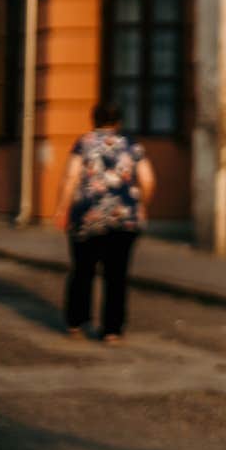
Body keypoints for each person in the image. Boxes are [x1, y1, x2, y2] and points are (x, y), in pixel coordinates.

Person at [53, 102, 154, 342]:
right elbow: (148, 180)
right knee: (117, 275)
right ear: (118, 122)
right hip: (124, 219)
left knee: (82, 270)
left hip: (89, 217)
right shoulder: (132, 145)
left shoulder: (84, 143)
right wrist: (141, 205)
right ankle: (112, 331)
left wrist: (61, 209)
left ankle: (76, 323)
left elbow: (70, 177)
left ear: (93, 120)